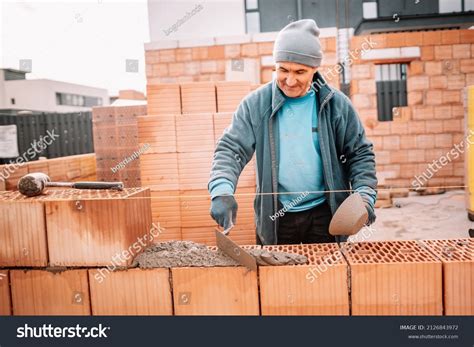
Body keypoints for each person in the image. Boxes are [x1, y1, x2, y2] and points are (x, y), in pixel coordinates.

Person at [208, 19, 377, 245]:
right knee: (279, 279)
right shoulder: (256, 105)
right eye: (283, 70)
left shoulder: (336, 105)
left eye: (300, 72)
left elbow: (359, 154)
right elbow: (231, 149)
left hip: (326, 214)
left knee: (325, 278)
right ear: (274, 66)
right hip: (277, 218)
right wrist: (221, 190)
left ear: (315, 69)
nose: (290, 80)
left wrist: (365, 194)